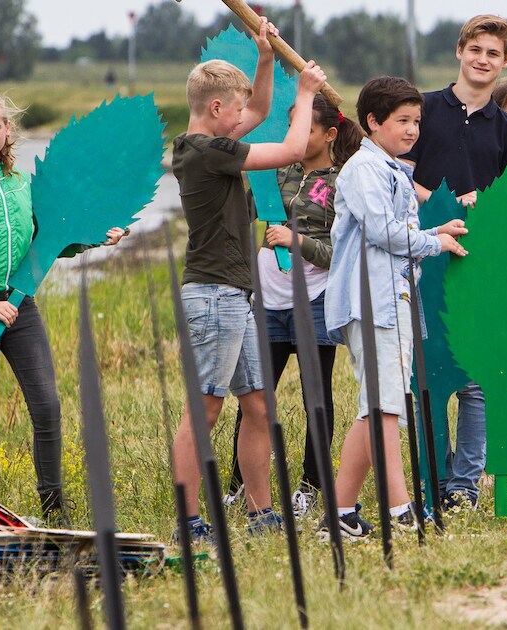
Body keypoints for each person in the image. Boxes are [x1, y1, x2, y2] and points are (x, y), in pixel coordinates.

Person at [0, 91, 127, 525]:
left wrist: (97, 238)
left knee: (47, 408)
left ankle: (54, 513)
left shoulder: (21, 185)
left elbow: (45, 246)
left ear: (8, 131)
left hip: (22, 309)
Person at [168, 17, 327, 543]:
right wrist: (304, 94)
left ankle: (260, 512)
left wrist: (264, 55)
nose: (244, 116)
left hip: (236, 293)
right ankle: (189, 520)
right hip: (213, 295)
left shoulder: (205, 141)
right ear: (216, 109)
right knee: (206, 407)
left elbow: (257, 110)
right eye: (233, 108)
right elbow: (288, 149)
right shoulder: (207, 152)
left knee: (257, 403)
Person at [321, 76, 469, 537]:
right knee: (385, 408)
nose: (412, 130)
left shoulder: (390, 169)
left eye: (416, 121)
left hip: (393, 302)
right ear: (372, 122)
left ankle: (340, 514)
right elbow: (384, 231)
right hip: (372, 303)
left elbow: (395, 230)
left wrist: (435, 229)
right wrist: (435, 240)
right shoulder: (364, 170)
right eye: (402, 121)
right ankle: (400, 508)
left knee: (378, 408)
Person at [400, 14, 507, 511]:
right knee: (428, 377)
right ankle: (431, 481)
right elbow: (397, 173)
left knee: (476, 380)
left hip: (476, 267)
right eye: (476, 49)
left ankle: (463, 487)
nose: (483, 59)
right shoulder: (425, 109)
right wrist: (442, 202)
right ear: (460, 51)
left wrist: (485, 203)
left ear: (505, 62)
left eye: (493, 53)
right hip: (423, 259)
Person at [224, 93, 363, 518]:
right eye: (293, 128)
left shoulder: (343, 182)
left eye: (308, 129)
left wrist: (297, 241)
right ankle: (240, 484)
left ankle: (312, 486)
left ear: (330, 134)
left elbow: (344, 249)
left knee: (314, 398)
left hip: (317, 302)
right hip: (266, 301)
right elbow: (240, 211)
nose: (298, 136)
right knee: (253, 396)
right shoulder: (276, 173)